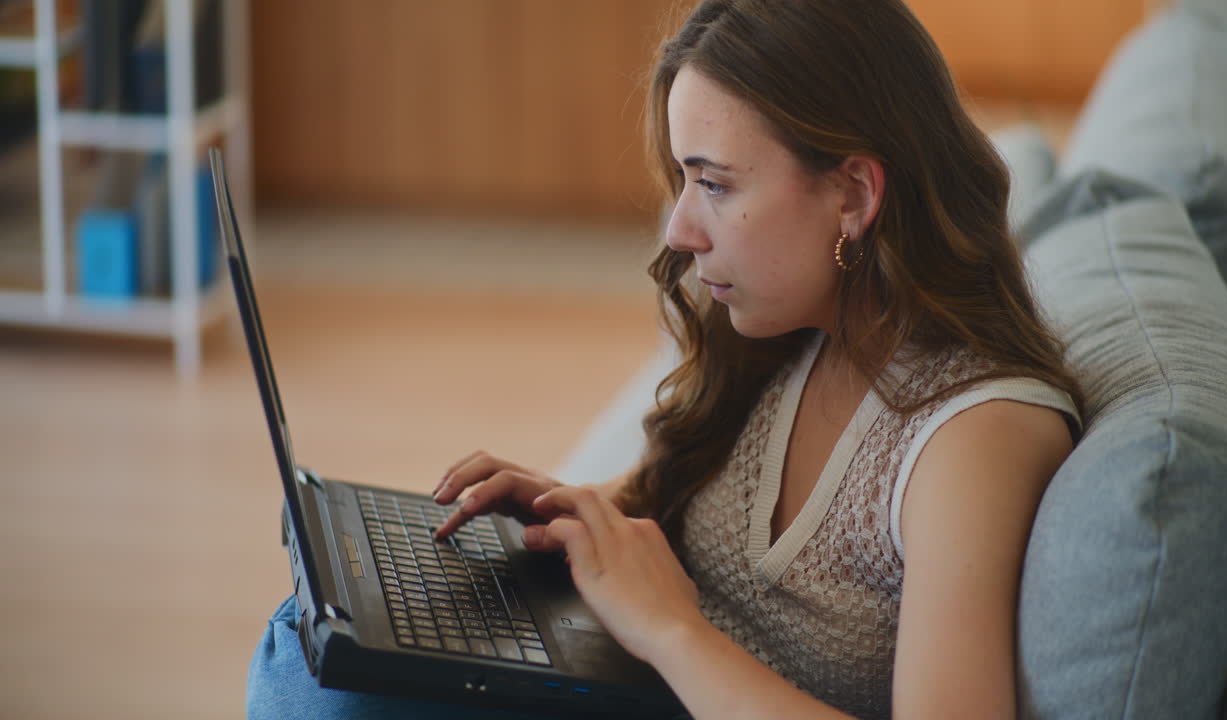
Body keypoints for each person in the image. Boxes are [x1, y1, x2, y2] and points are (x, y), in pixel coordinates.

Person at [247, 0, 1083, 718]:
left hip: (656, 679)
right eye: (684, 182)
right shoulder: (796, 333)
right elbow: (708, 521)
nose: (680, 230)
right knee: (324, 638)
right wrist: (583, 511)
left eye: (714, 184)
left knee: (316, 678)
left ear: (857, 195)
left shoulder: (972, 434)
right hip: (631, 683)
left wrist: (670, 630)